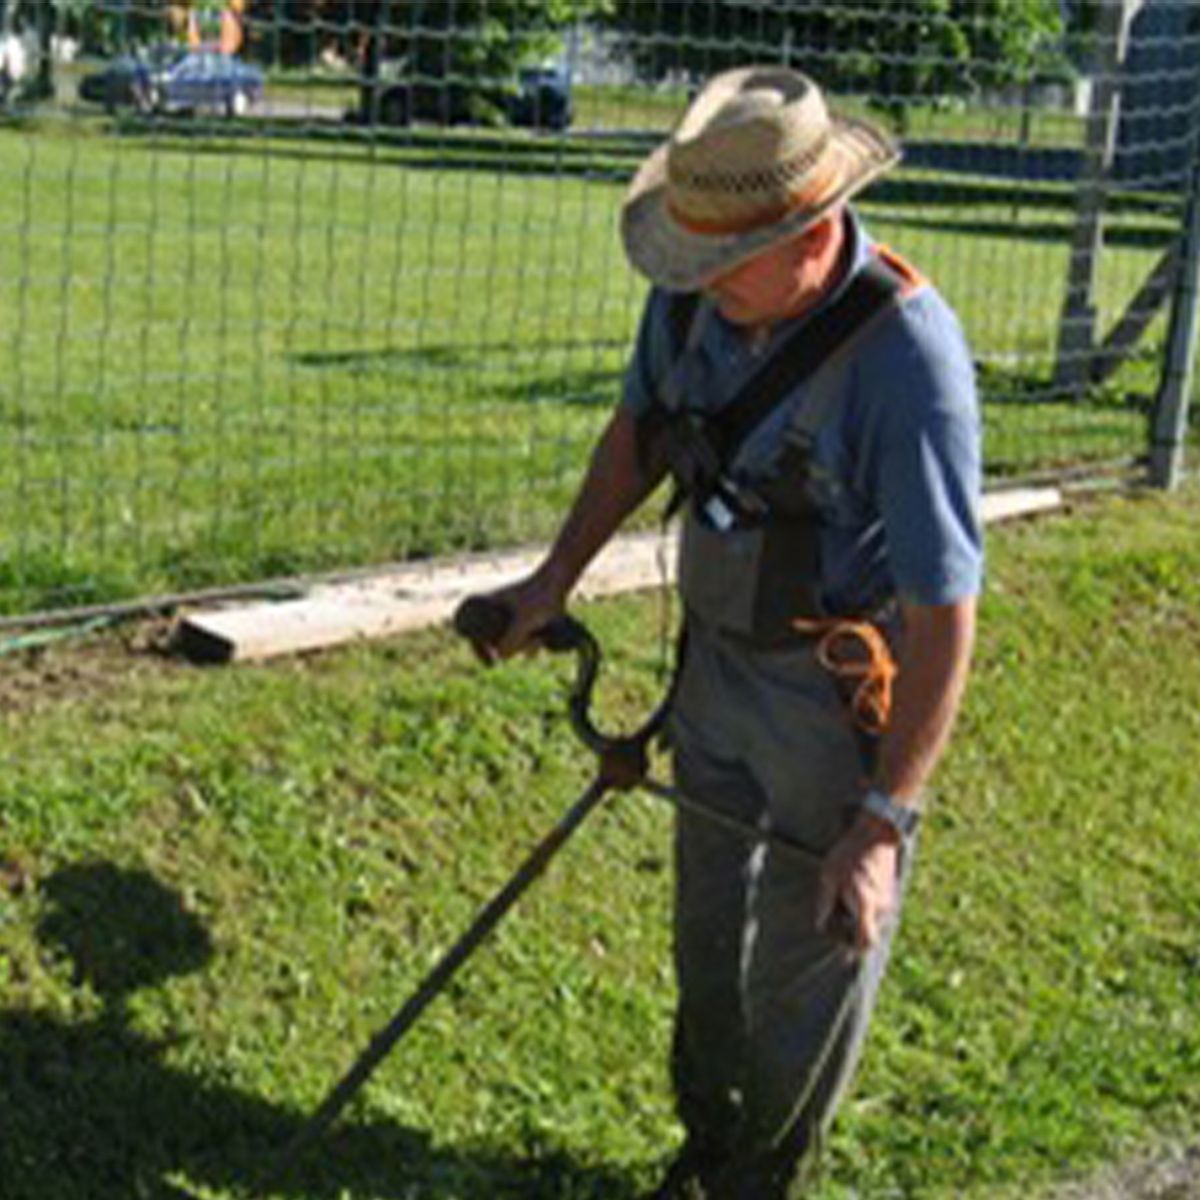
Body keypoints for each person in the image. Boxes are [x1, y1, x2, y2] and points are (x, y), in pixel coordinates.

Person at [468, 65, 982, 1199]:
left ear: (812, 231)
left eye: (718, 265)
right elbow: (643, 429)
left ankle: (760, 1180)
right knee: (704, 939)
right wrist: (554, 580)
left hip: (827, 710)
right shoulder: (699, 291)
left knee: (807, 970)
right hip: (709, 671)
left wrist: (886, 819)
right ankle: (704, 1147)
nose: (690, 285)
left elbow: (948, 611)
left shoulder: (909, 360)